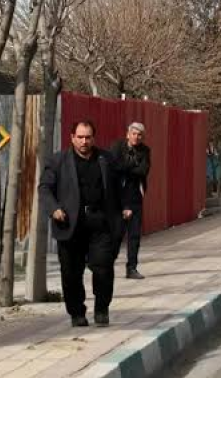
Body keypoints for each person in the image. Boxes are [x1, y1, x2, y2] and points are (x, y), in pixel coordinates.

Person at [38, 121, 121, 328]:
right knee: (71, 273)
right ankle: (77, 313)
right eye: (80, 137)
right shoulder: (58, 161)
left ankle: (102, 308)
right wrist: (54, 208)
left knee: (103, 267)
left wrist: (123, 212)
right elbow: (45, 188)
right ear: (72, 137)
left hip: (99, 222)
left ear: (94, 138)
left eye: (88, 137)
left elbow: (120, 188)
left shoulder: (106, 159)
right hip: (69, 224)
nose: (84, 141)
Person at [111, 123, 152, 280]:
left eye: (140, 135)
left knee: (134, 235)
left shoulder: (145, 151)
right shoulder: (117, 147)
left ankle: (132, 268)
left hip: (135, 196)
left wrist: (126, 167)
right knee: (116, 233)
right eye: (134, 134)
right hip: (117, 196)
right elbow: (113, 167)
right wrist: (132, 165)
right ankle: (107, 263)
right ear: (128, 134)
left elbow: (143, 171)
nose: (136, 137)